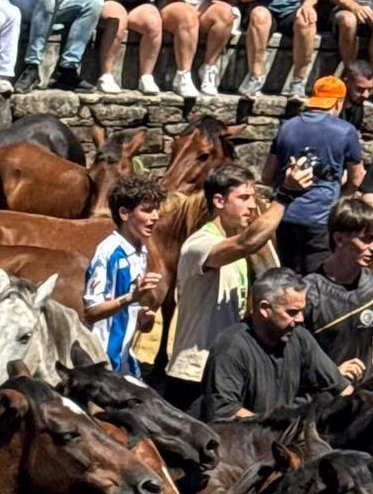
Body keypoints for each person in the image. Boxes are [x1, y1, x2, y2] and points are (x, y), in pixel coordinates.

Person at [165, 158, 284, 409]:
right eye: (243, 198)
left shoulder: (238, 253)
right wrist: (286, 197)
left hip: (226, 371)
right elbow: (248, 242)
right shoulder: (200, 244)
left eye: (254, 198)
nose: (252, 207)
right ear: (219, 201)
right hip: (194, 375)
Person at [199, 265, 349, 419]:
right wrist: (277, 429)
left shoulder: (300, 337)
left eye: (301, 311)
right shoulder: (231, 347)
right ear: (265, 309)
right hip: (241, 439)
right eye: (292, 312)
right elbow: (225, 411)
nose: (300, 319)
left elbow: (341, 388)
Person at [261, 72, 364, 273]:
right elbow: (357, 179)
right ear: (338, 102)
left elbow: (266, 175)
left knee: (286, 275)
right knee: (317, 279)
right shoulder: (346, 131)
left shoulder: (287, 127)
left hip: (285, 217)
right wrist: (342, 196)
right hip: (321, 219)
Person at [303, 192, 373, 375]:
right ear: (339, 239)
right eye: (367, 239)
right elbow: (291, 361)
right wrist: (332, 376)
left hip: (361, 398)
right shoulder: (309, 293)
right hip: (318, 398)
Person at [84, 170, 165, 374]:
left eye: (156, 210)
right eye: (147, 210)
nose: (155, 217)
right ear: (124, 213)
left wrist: (142, 318)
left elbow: (128, 311)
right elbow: (91, 313)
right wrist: (130, 298)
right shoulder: (108, 252)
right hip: (103, 360)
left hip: (126, 359)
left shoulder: (141, 250)